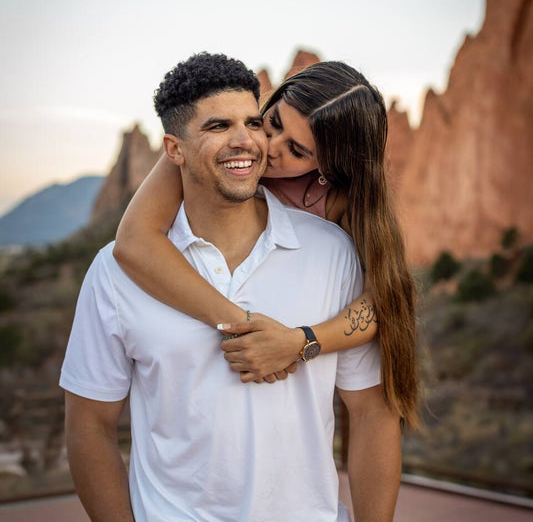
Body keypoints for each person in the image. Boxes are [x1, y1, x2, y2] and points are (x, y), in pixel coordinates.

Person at [61, 53, 403, 522]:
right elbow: (89, 421)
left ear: (322, 168)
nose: (259, 145)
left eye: (285, 144)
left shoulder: (333, 250)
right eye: (247, 124)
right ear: (174, 150)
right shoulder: (120, 267)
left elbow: (374, 403)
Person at [114, 58, 418, 425]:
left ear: (327, 169)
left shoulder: (345, 202)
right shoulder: (214, 147)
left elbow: (381, 302)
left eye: (297, 151)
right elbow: (133, 240)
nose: (269, 147)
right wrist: (241, 326)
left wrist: (298, 343)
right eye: (272, 123)